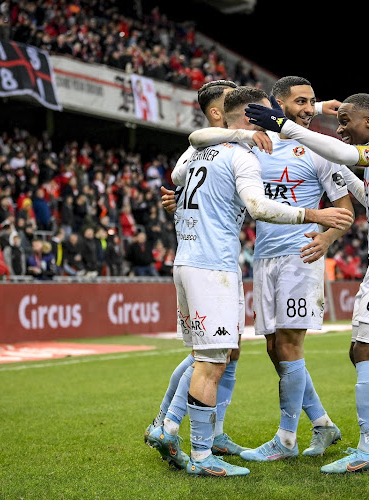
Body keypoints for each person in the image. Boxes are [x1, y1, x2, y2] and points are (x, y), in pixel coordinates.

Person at [160, 86, 353, 477]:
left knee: (284, 345)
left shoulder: (315, 147)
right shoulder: (250, 145)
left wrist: (325, 237)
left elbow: (344, 208)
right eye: (299, 102)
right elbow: (199, 142)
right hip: (260, 257)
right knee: (270, 348)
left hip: (301, 253)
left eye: (310, 103)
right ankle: (322, 424)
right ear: (271, 109)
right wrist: (179, 198)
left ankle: (285, 437)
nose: (307, 110)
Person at [246, 92, 369, 473]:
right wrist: (321, 139)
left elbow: (347, 156)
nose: (341, 128)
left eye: (346, 121)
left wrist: (286, 127)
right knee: (362, 351)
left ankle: (367, 450)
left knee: (365, 352)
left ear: (368, 121)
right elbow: (363, 193)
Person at [145, 80, 253, 470]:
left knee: (225, 350)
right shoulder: (215, 147)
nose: (245, 110)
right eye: (234, 104)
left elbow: (177, 177)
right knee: (209, 356)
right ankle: (178, 431)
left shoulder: (202, 152)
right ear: (218, 114)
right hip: (211, 263)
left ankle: (181, 427)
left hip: (200, 258)